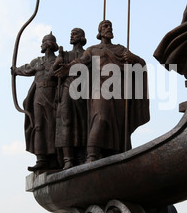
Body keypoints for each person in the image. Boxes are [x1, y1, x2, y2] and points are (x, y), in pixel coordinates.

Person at [55, 20, 150, 162]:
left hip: (119, 91)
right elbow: (80, 62)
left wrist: (133, 58)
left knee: (118, 124)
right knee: (100, 117)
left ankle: (114, 154)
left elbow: (141, 63)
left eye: (111, 26)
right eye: (105, 26)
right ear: (99, 32)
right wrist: (67, 68)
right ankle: (92, 154)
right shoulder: (92, 50)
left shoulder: (121, 49)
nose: (109, 28)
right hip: (100, 88)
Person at [14, 32, 59, 171]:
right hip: (39, 96)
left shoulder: (58, 60)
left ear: (51, 44)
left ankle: (53, 158)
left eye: (46, 42)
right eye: (44, 41)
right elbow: (26, 69)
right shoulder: (37, 61)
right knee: (38, 126)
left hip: (52, 95)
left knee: (52, 126)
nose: (44, 44)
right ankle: (41, 158)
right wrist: (16, 70)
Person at [53, 28, 87, 169]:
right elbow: (53, 73)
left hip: (83, 91)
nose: (72, 36)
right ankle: (68, 159)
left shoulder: (87, 53)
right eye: (71, 33)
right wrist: (58, 61)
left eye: (75, 34)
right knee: (65, 122)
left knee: (82, 124)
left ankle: (81, 157)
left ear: (81, 37)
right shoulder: (65, 54)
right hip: (67, 88)